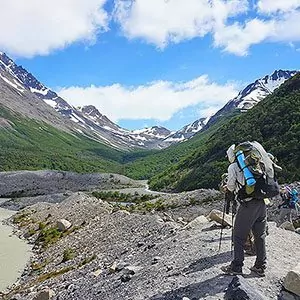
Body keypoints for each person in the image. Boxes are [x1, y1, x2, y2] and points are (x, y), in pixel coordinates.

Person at [221, 144, 268, 277]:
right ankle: (260, 265)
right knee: (260, 235)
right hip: (262, 203)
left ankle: (236, 266)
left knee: (238, 236)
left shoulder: (233, 167)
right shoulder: (258, 163)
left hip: (247, 205)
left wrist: (227, 189)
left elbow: (230, 186)